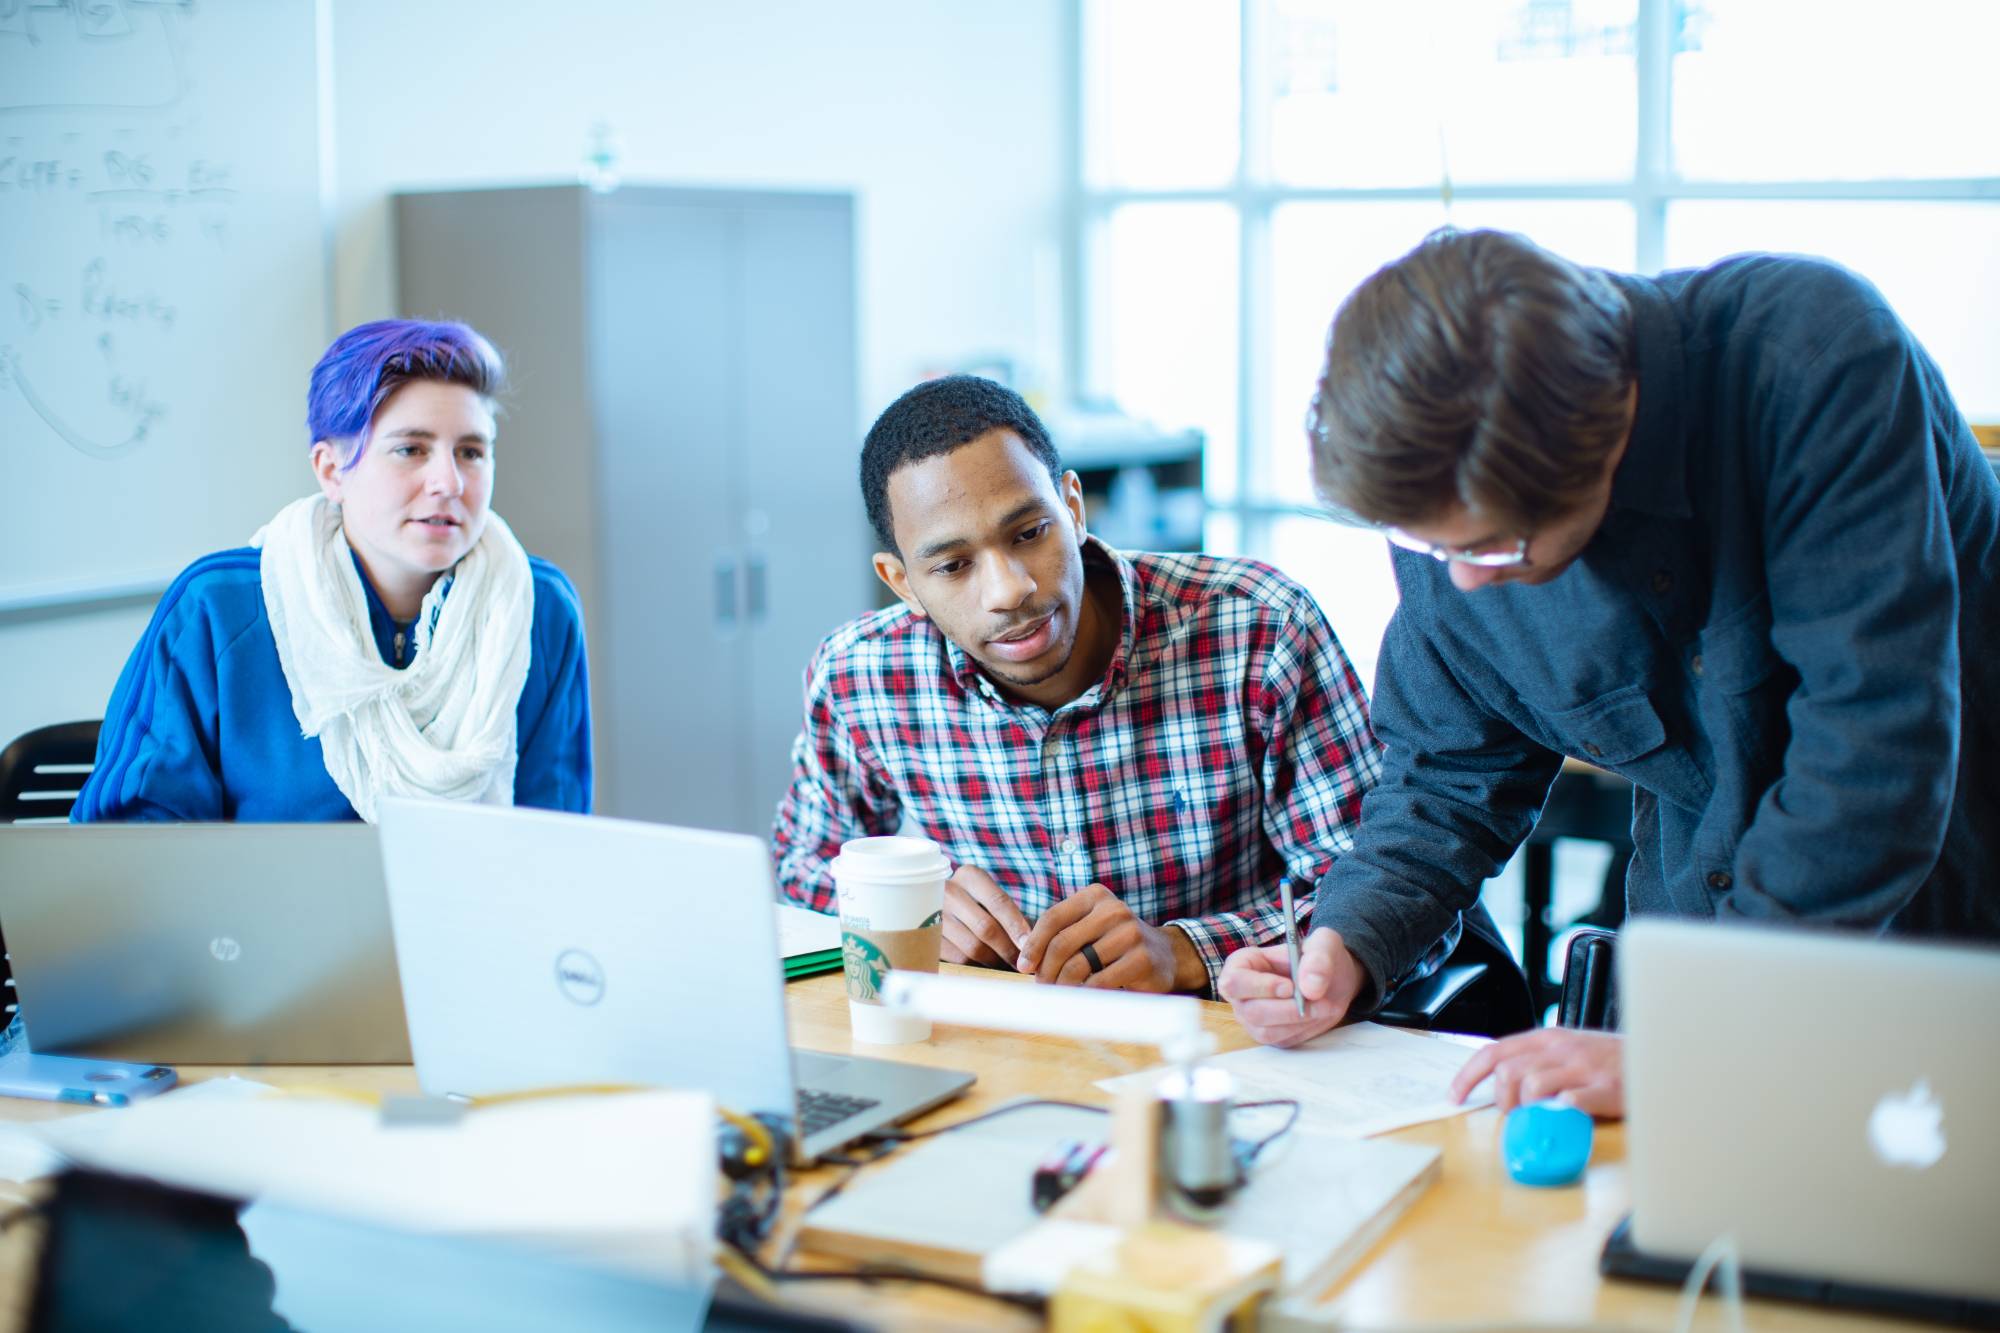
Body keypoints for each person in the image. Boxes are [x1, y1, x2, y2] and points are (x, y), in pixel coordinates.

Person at [1219, 228, 2000, 1115]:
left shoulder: (1813, 360)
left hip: (1946, 923)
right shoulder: (1455, 510)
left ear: (1609, 433)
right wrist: (1347, 942)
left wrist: (1697, 1041)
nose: (1464, 575)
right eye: (1430, 544)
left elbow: (1872, 762)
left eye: (1494, 543)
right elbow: (1444, 774)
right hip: (1698, 956)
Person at [772, 374, 1489, 1000]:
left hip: (1223, 1052)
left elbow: (1383, 892)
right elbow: (799, 864)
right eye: (954, 566)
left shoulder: (1259, 629)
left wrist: (1182, 953)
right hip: (995, 1044)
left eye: (1029, 533)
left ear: (1074, 507)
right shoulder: (858, 676)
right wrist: (909, 900)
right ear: (902, 583)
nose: (1010, 590)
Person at [74, 319, 592, 823]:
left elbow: (556, 842)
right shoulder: (217, 608)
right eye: (411, 449)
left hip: (465, 911)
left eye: (471, 452)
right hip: (264, 912)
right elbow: (132, 838)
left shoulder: (537, 607)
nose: (449, 481)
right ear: (331, 471)